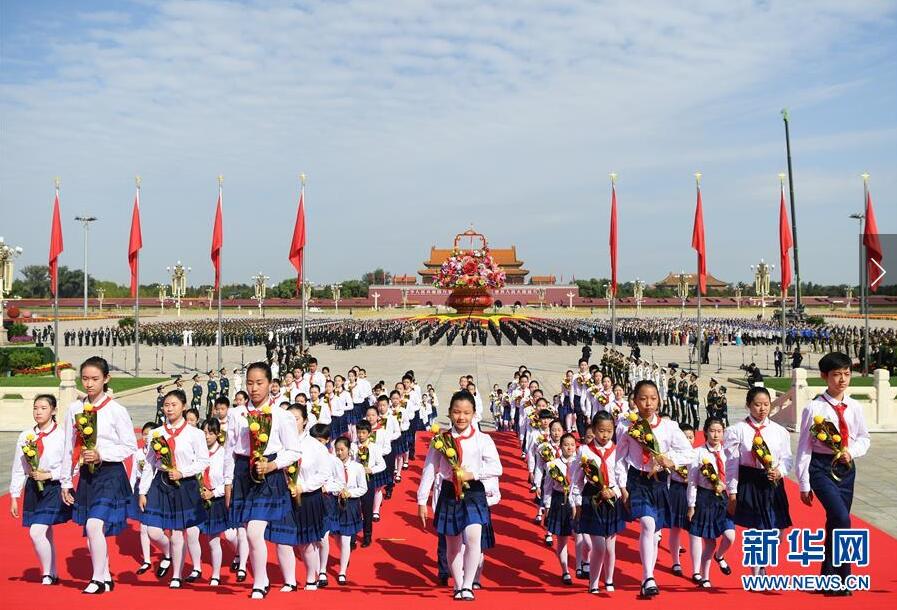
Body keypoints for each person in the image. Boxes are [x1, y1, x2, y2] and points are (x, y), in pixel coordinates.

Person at [223, 362, 300, 599]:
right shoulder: (236, 414)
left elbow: (293, 451)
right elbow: (229, 450)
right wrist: (228, 482)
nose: (254, 388)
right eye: (250, 383)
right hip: (242, 473)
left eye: (259, 383)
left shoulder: (282, 415)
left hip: (269, 473)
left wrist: (273, 465)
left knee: (254, 532)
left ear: (270, 383)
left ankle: (260, 581)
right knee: (248, 531)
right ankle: (261, 578)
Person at [61, 356, 138, 594]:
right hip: (87, 475)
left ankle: (96, 579)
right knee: (93, 528)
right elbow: (68, 446)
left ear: (106, 379)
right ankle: (104, 577)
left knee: (94, 525)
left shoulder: (116, 410)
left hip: (110, 474)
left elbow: (129, 445)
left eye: (95, 379)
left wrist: (101, 454)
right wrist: (66, 480)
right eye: (85, 379)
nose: (89, 384)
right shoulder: (74, 409)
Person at [796, 352, 871, 596]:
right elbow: (804, 447)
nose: (842, 379)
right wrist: (804, 483)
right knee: (842, 517)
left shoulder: (854, 406)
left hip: (846, 469)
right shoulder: (814, 407)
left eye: (847, 374)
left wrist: (852, 452)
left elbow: (864, 438)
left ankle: (831, 580)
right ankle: (841, 577)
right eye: (836, 374)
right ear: (824, 376)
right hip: (821, 468)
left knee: (837, 522)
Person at [418, 390, 502, 601]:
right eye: (456, 412)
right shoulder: (441, 440)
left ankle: (468, 584)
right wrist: (422, 500)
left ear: (474, 414)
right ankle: (457, 583)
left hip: (474, 492)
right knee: (453, 544)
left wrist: (472, 474)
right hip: (449, 492)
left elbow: (496, 467)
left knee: (473, 538)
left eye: (466, 412)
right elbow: (429, 468)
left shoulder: (483, 439)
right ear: (449, 412)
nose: (461, 417)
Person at [615, 380, 694, 597]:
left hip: (659, 482)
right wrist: (622, 487)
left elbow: (689, 452)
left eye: (653, 398)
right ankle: (648, 576)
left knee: (654, 530)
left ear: (659, 400)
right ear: (634, 400)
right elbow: (620, 458)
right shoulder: (625, 426)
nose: (648, 403)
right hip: (636, 481)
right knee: (648, 524)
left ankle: (646, 580)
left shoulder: (669, 427)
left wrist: (670, 459)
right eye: (643, 398)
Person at [138, 389, 210, 589]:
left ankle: (177, 575)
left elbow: (203, 461)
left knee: (178, 532)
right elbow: (150, 463)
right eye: (166, 405)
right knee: (153, 530)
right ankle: (168, 552)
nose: (169, 409)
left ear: (183, 407)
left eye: (174, 405)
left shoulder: (195, 434)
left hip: (184, 484)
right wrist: (143, 491)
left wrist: (182, 473)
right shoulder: (156, 433)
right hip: (161, 483)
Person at [724, 386, 792, 576]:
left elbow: (787, 459)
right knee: (757, 528)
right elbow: (731, 464)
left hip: (773, 482)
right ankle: (756, 570)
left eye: (766, 404)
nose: (762, 409)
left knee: (778, 529)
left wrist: (779, 471)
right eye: (757, 404)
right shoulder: (737, 431)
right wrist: (732, 492)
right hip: (749, 480)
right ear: (748, 405)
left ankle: (763, 561)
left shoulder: (779, 431)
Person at [9, 394, 72, 585]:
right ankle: (52, 572)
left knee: (36, 532)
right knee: (45, 532)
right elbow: (19, 467)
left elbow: (72, 464)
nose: (38, 412)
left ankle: (46, 574)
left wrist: (50, 475)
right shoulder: (26, 436)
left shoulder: (62, 435)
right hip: (33, 488)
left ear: (53, 411)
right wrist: (14, 495)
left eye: (43, 408)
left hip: (54, 487)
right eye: (36, 408)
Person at [571, 412, 626, 594]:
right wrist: (577, 502)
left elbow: (622, 477)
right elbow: (577, 480)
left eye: (609, 431)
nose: (605, 435)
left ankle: (609, 580)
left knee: (610, 546)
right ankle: (593, 583)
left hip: (612, 499)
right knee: (599, 546)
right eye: (601, 431)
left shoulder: (618, 450)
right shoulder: (584, 451)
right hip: (592, 498)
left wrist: (615, 492)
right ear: (593, 430)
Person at [687, 417, 735, 589]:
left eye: (719, 431)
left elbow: (734, 475)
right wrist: (691, 505)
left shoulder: (729, 452)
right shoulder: (698, 453)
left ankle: (719, 556)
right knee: (710, 542)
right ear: (706, 432)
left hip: (724, 499)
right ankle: (705, 577)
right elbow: (692, 481)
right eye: (712, 431)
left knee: (730, 536)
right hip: (705, 499)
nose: (716, 435)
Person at [325, 437, 367, 584]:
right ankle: (345, 554)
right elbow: (328, 482)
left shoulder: (357, 467)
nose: (339, 453)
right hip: (334, 503)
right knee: (337, 537)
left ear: (349, 450)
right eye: (337, 450)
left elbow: (363, 488)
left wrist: (350, 493)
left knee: (345, 538)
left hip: (350, 504)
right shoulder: (331, 466)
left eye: (342, 449)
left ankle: (342, 571)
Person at [198, 418, 232, 587]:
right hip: (200, 499)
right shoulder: (197, 452)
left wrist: (214, 492)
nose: (207, 436)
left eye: (211, 433)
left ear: (218, 434)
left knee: (224, 538)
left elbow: (228, 479)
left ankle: (219, 572)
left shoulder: (224, 454)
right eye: (204, 432)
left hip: (217, 500)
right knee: (194, 535)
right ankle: (196, 569)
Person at [667, 423, 695, 578]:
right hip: (677, 491)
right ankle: (675, 562)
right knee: (676, 528)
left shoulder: (697, 454)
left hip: (694, 492)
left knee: (694, 531)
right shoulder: (672, 455)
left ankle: (696, 569)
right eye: (685, 437)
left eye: (690, 437)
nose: (688, 440)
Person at [354, 419, 386, 547]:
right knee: (354, 509)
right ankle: (352, 537)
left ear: (369, 433)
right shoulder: (352, 446)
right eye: (359, 432)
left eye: (363, 432)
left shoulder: (374, 447)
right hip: (354, 481)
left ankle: (367, 536)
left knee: (367, 509)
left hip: (368, 480)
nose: (361, 435)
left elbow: (382, 464)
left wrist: (371, 470)